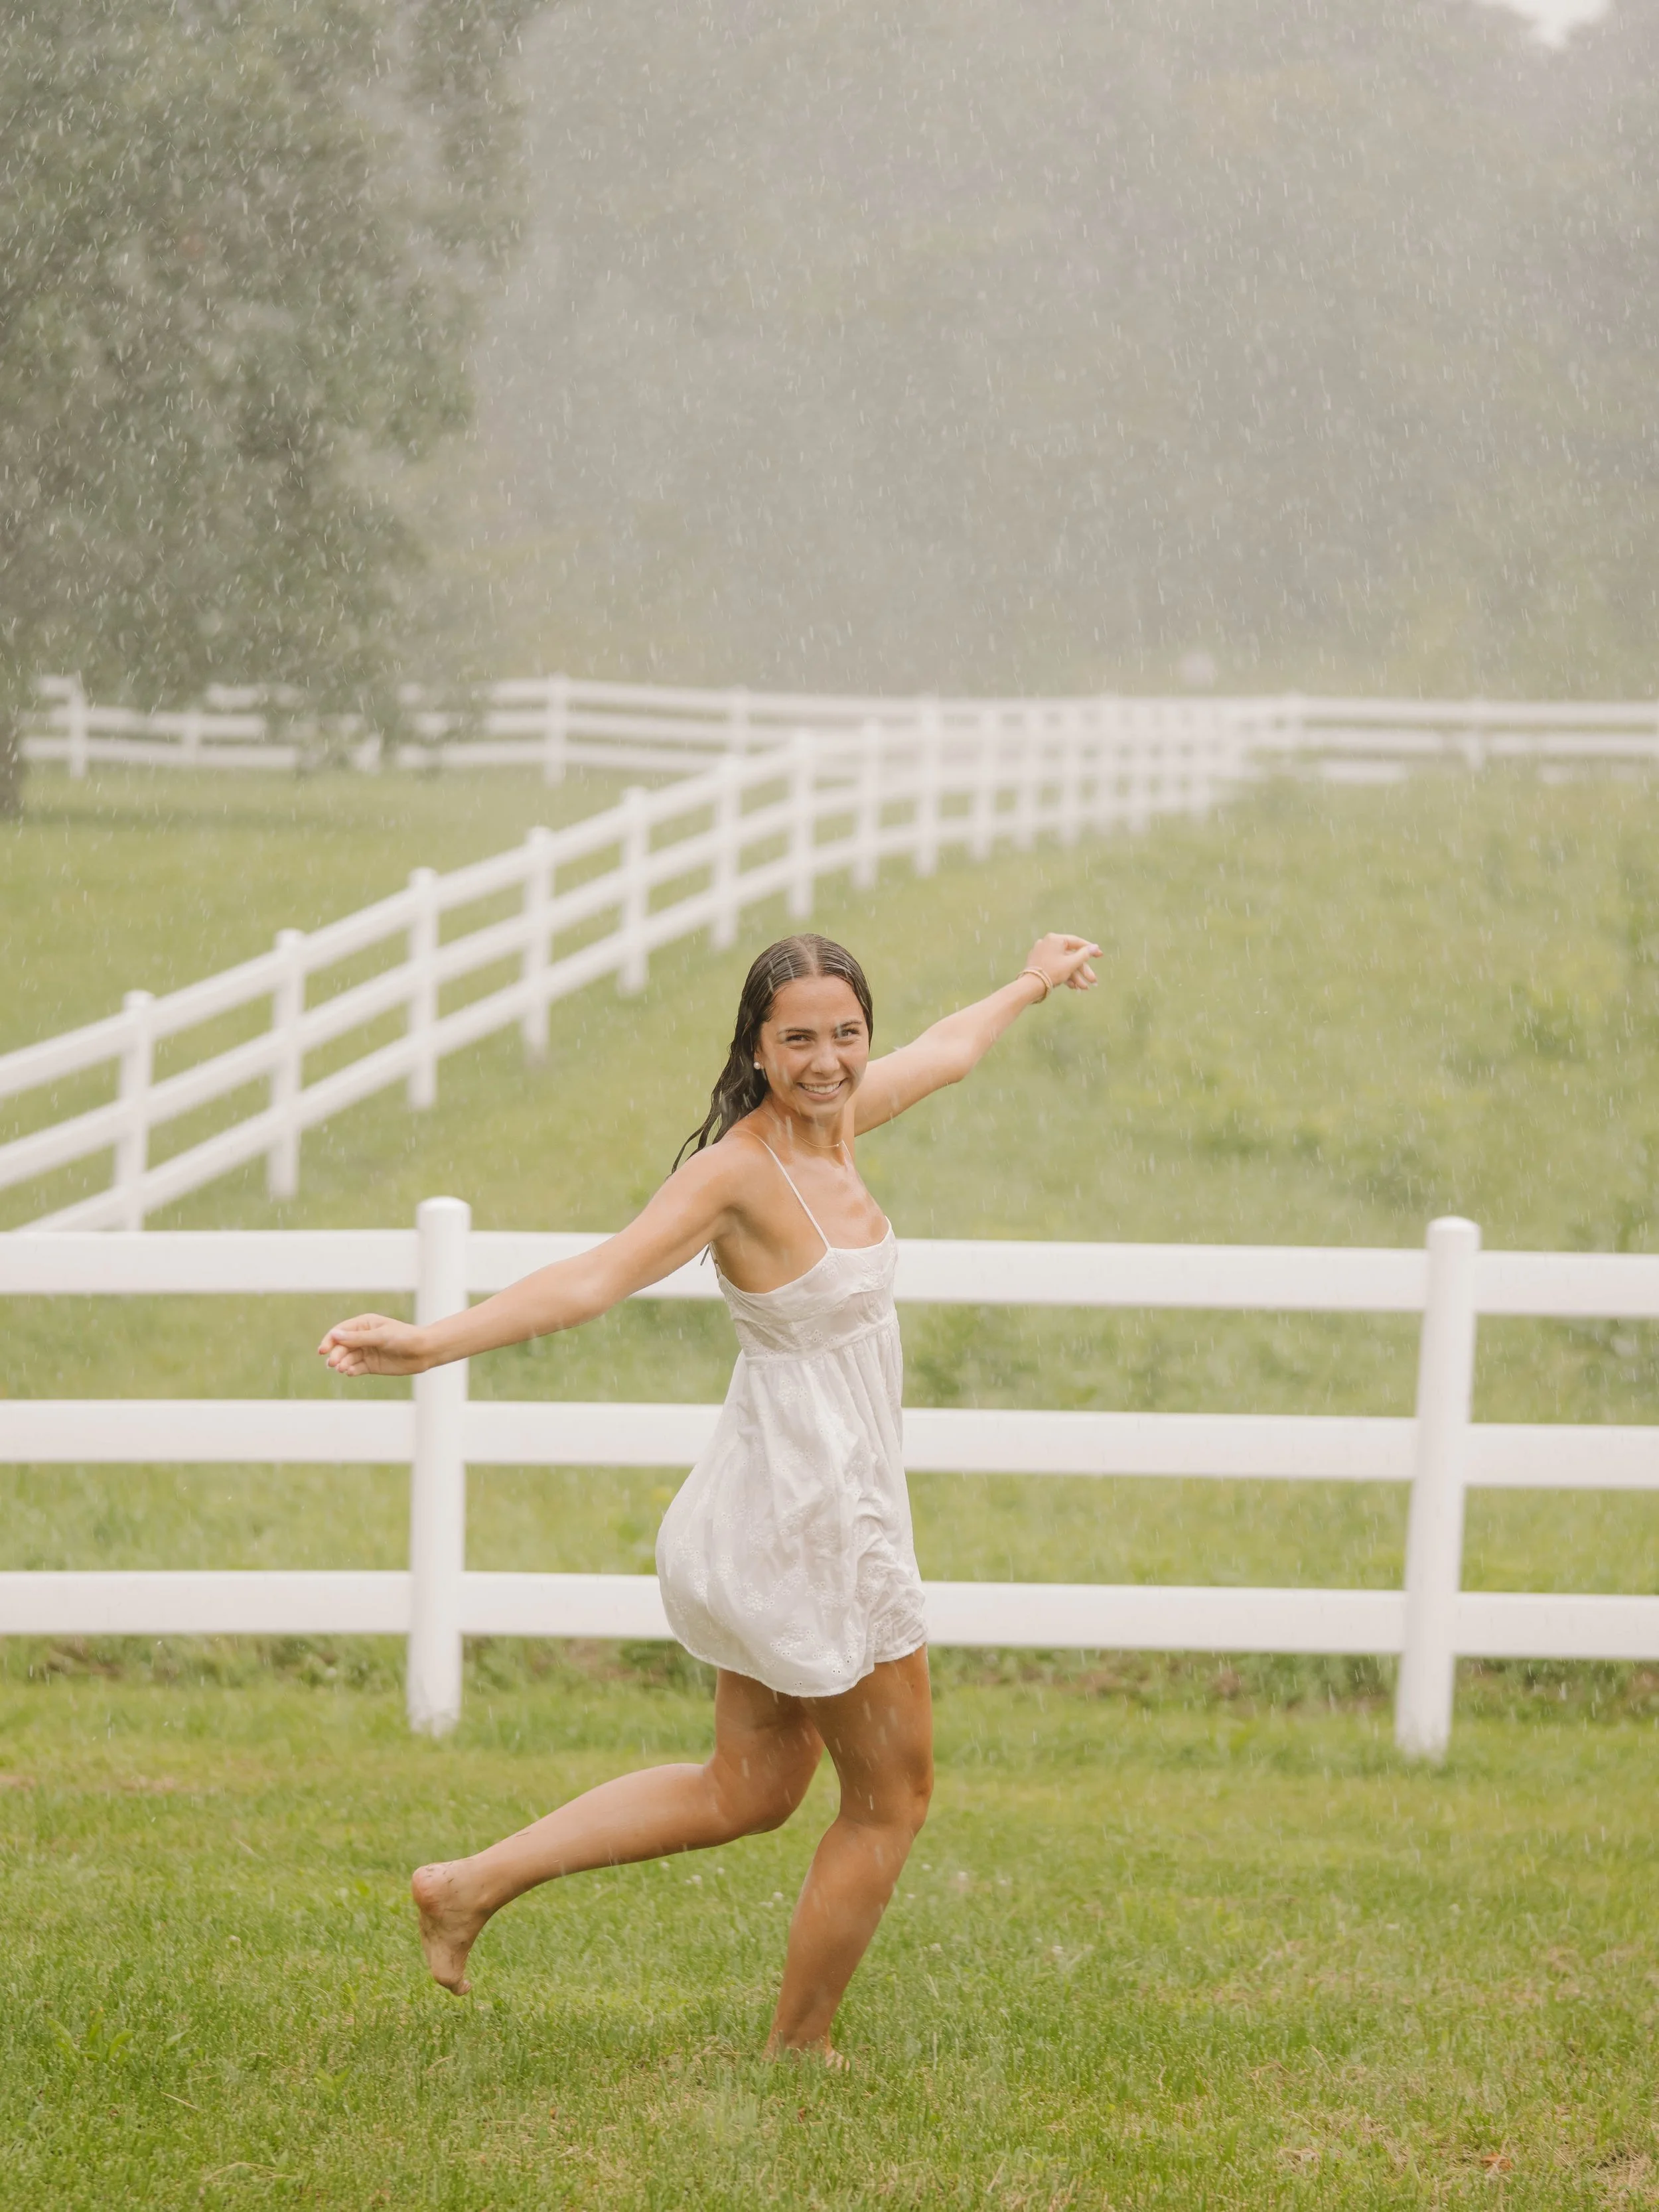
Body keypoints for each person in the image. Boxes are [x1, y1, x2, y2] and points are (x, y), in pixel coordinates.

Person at [318, 928, 1099, 2061]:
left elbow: (949, 1051)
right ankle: (800, 2048)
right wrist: (434, 1340)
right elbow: (596, 1274)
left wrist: (1032, 979)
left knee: (750, 1784)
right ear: (756, 1047)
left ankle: (464, 1886)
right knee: (892, 1798)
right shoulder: (740, 1169)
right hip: (813, 1519)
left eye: (846, 1033)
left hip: (791, 1501)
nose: (828, 1059)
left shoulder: (843, 1122)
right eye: (800, 1040)